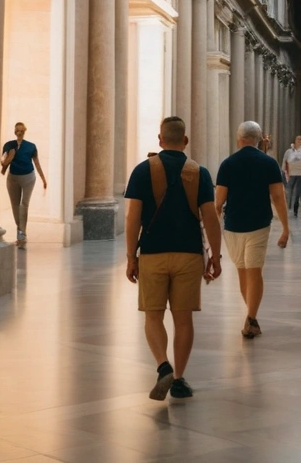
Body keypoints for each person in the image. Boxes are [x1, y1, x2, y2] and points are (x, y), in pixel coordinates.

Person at [124, 116, 222, 401]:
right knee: (183, 320)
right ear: (185, 141)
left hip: (153, 254)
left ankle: (162, 365)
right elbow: (211, 217)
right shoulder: (199, 172)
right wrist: (215, 256)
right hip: (189, 255)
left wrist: (131, 257)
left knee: (153, 315)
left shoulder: (143, 171)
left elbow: (133, 219)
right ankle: (178, 378)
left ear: (160, 140)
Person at [215, 121, 290, 339]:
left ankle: (251, 317)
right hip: (259, 224)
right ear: (258, 140)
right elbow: (277, 197)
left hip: (233, 226)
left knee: (243, 271)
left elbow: (219, 202)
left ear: (239, 139)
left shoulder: (227, 164)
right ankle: (251, 317)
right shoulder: (268, 163)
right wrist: (285, 227)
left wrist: (210, 230)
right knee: (254, 270)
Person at [0, 122, 47, 248]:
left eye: (21, 130)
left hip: (28, 177)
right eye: (17, 130)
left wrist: (43, 179)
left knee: (24, 204)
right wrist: (10, 157)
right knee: (15, 206)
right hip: (13, 178)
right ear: (15, 132)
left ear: (24, 131)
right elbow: (3, 161)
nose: (19, 132)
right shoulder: (9, 145)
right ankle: (20, 231)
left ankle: (21, 234)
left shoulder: (31, 146)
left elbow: (37, 163)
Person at [282, 135, 301, 217]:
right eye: (298, 139)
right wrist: (284, 171)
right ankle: (287, 207)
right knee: (288, 191)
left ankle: (296, 210)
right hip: (291, 174)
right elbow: (285, 161)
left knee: (297, 193)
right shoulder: (289, 151)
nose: (299, 140)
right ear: (294, 140)